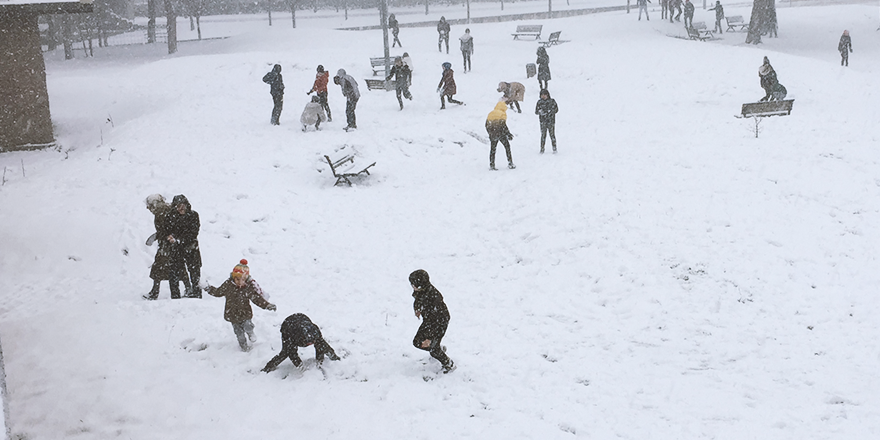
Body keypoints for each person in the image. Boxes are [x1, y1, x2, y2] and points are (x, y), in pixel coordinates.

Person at [205, 259, 277, 352]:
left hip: (245, 313)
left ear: (246, 279)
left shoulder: (248, 288)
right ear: (233, 277)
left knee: (248, 325)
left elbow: (256, 299)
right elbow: (218, 292)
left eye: (242, 279)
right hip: (232, 315)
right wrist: (207, 288)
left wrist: (267, 305)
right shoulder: (228, 285)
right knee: (239, 334)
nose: (239, 282)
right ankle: (244, 347)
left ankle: (250, 333)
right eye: (237, 279)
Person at [143, 194, 191, 300]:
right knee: (178, 266)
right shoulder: (166, 209)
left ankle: (155, 292)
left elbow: (166, 229)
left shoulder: (161, 212)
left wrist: (159, 236)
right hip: (171, 243)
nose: (148, 208)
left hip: (168, 245)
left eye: (149, 205)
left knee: (159, 268)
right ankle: (188, 288)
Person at [261, 313, 341, 373]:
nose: (311, 343)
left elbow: (322, 347)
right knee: (285, 352)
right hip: (288, 325)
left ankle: (335, 358)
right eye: (309, 342)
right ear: (303, 339)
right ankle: (268, 367)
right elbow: (292, 354)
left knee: (321, 345)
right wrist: (301, 367)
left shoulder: (315, 332)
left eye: (313, 341)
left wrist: (320, 362)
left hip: (302, 318)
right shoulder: (295, 336)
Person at [409, 270, 454, 374]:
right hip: (430, 321)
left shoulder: (433, 299)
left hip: (439, 323)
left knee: (433, 349)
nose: (412, 286)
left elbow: (437, 319)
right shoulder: (423, 290)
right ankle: (438, 348)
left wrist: (430, 338)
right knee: (417, 342)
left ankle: (449, 364)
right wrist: (417, 308)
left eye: (413, 284)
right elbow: (418, 298)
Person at [165, 194, 202, 298]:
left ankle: (196, 294)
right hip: (176, 249)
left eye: (183, 205)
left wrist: (179, 240)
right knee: (174, 273)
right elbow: (167, 230)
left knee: (195, 273)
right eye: (178, 206)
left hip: (191, 247)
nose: (181, 208)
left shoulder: (193, 215)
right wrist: (170, 238)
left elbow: (193, 233)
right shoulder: (170, 217)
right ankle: (175, 296)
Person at [485, 101, 515, 170]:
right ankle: (510, 163)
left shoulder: (491, 113)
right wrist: (508, 134)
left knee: (493, 149)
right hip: (501, 134)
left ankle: (492, 165)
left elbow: (486, 125)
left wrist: (490, 133)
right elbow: (503, 125)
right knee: (507, 147)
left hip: (493, 134)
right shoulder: (502, 114)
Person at [535, 89, 558, 154]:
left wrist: (550, 112)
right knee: (543, 135)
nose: (543, 96)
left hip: (551, 121)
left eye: (545, 95)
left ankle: (554, 148)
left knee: (552, 135)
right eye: (542, 95)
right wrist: (540, 112)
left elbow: (556, 109)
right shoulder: (539, 102)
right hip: (543, 121)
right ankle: (542, 149)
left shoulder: (552, 101)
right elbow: (536, 111)